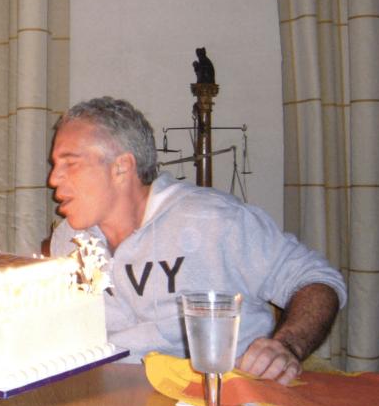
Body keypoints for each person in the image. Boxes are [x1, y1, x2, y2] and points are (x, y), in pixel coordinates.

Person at [48, 97, 346, 385]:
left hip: (218, 397)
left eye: (69, 164)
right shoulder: (69, 241)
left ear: (121, 167)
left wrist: (287, 346)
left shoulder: (214, 221)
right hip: (109, 396)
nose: (53, 179)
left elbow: (317, 280)